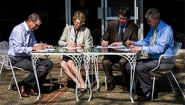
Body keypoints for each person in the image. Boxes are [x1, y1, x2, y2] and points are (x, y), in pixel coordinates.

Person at [125, 8, 174, 101]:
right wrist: (134, 43)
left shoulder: (166, 30)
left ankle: (149, 91)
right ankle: (140, 86)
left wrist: (141, 48)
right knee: (129, 65)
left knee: (140, 68)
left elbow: (159, 49)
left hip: (163, 60)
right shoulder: (153, 28)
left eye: (149, 21)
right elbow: (146, 41)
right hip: (154, 58)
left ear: (157, 20)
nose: (148, 23)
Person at [8, 13, 53, 97]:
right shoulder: (19, 29)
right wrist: (33, 48)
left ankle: (31, 86)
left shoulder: (30, 31)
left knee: (48, 63)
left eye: (38, 26)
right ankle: (23, 85)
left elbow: (34, 44)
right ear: (30, 21)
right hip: (16, 59)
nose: (36, 28)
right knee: (41, 68)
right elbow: (17, 49)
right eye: (36, 25)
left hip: (26, 57)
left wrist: (43, 46)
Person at [101, 7, 138, 91]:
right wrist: (104, 41)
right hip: (113, 52)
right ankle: (110, 81)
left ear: (128, 18)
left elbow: (134, 41)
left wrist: (121, 43)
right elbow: (105, 36)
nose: (121, 20)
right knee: (105, 62)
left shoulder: (133, 27)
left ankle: (125, 82)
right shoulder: (111, 24)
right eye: (120, 18)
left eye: (124, 19)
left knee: (123, 62)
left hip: (125, 53)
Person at [58, 11, 92, 93]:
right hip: (68, 53)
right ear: (73, 21)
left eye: (80, 23)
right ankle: (78, 83)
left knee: (70, 63)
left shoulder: (86, 30)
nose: (78, 25)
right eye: (76, 23)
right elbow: (60, 42)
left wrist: (83, 45)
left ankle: (83, 84)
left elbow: (90, 45)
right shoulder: (67, 29)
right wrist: (67, 44)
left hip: (79, 54)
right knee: (62, 64)